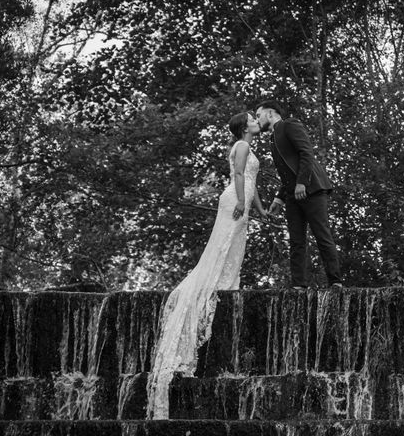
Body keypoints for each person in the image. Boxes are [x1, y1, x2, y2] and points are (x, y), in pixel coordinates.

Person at [146, 112, 266, 419]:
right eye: (252, 118)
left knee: (234, 250)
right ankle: (213, 286)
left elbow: (253, 181)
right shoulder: (241, 145)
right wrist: (242, 201)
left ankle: (225, 285)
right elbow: (239, 176)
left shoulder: (249, 146)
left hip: (243, 201)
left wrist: (259, 208)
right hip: (233, 201)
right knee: (222, 248)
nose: (256, 120)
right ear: (243, 126)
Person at [255, 100, 342, 289]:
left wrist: (302, 182)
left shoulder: (290, 125)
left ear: (270, 114)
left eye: (258, 115)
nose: (257, 120)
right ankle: (298, 286)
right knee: (296, 241)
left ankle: (335, 281)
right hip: (292, 194)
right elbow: (288, 172)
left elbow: (306, 153)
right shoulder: (273, 138)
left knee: (322, 234)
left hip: (312, 189)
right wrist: (279, 197)